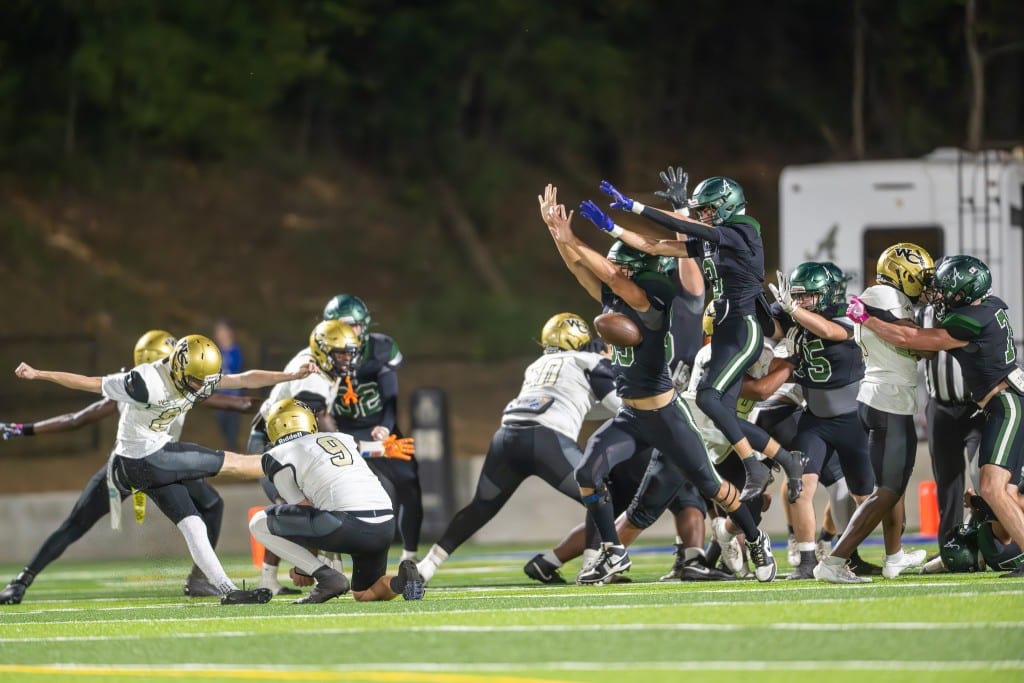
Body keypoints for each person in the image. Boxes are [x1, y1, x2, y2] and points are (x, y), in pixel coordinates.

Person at [541, 183, 777, 584]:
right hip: (632, 413)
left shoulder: (656, 295)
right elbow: (582, 270)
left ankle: (755, 539)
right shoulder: (617, 295)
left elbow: (616, 276)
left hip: (667, 414)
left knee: (712, 487)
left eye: (629, 266)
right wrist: (561, 238)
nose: (622, 268)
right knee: (589, 474)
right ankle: (613, 552)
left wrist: (578, 238)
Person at [12, 333, 318, 604]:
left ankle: (226, 590)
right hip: (141, 458)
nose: (203, 388)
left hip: (149, 459)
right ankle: (296, 458)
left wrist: (291, 375)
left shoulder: (197, 372)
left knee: (194, 523)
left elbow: (244, 379)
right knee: (235, 464)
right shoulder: (144, 382)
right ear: (178, 368)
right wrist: (39, 374)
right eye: (198, 381)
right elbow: (90, 384)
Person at [594, 176, 806, 505]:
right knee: (719, 411)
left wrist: (637, 207)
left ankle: (755, 466)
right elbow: (657, 246)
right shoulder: (713, 239)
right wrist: (613, 229)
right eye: (701, 210)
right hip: (723, 329)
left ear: (729, 203)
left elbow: (696, 230)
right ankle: (787, 461)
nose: (704, 215)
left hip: (743, 326)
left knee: (707, 399)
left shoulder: (744, 229)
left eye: (708, 209)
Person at [848, 254, 1024, 578]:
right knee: (1006, 494)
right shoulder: (989, 307)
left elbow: (909, 339)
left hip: (1006, 404)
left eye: (944, 290)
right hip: (1003, 402)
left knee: (992, 489)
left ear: (964, 292)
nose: (938, 296)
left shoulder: (971, 319)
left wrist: (866, 318)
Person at [416, 312, 620, 584]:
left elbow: (579, 404)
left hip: (507, 437)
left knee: (480, 507)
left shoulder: (537, 365)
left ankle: (426, 567)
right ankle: (592, 567)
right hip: (547, 440)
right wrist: (610, 366)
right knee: (598, 493)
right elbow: (618, 405)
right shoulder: (589, 360)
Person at [813, 243, 934, 583]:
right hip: (886, 400)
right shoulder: (882, 296)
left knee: (892, 486)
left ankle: (894, 556)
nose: (923, 285)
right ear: (901, 272)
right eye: (919, 277)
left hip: (889, 398)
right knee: (886, 491)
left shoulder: (887, 298)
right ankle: (834, 561)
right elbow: (913, 342)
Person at [248, 398, 425, 603]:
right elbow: (363, 448)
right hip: (384, 524)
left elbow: (304, 510)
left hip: (346, 524)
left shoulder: (279, 454)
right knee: (364, 592)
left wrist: (305, 568)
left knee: (259, 523)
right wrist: (381, 448)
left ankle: (327, 578)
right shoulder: (340, 438)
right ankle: (402, 582)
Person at [245, 319, 371, 595]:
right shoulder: (312, 377)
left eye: (350, 353)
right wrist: (365, 447)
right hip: (272, 444)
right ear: (323, 351)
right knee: (294, 507)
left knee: (299, 505)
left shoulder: (320, 365)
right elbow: (314, 420)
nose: (347, 359)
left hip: (284, 441)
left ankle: (283, 574)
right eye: (341, 354)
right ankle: (313, 566)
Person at [766, 262, 875, 579]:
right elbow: (767, 327)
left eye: (808, 296)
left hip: (852, 420)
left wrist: (792, 311)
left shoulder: (850, 315)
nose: (800, 302)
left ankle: (849, 556)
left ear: (829, 294)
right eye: (796, 296)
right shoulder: (794, 318)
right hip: (815, 420)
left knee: (866, 496)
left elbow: (829, 331)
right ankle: (806, 561)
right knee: (799, 488)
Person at [323, 293, 422, 563]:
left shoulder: (379, 349)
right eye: (342, 325)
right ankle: (332, 555)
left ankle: (409, 556)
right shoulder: (320, 356)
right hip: (342, 432)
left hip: (377, 426)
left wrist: (385, 427)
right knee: (341, 491)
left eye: (353, 325)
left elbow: (390, 395)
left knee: (408, 481)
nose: (350, 332)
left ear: (364, 325)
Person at [914, 302, 984, 572]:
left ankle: (990, 543)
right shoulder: (922, 313)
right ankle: (950, 548)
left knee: (985, 479)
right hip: (941, 406)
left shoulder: (977, 312)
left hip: (977, 406)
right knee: (947, 483)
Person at [212, 320, 244, 450]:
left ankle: (233, 451)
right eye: (218, 332)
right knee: (222, 425)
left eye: (223, 331)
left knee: (232, 429)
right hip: (218, 398)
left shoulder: (236, 351)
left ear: (229, 333)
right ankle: (229, 447)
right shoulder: (214, 351)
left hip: (233, 398)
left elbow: (238, 371)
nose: (221, 334)